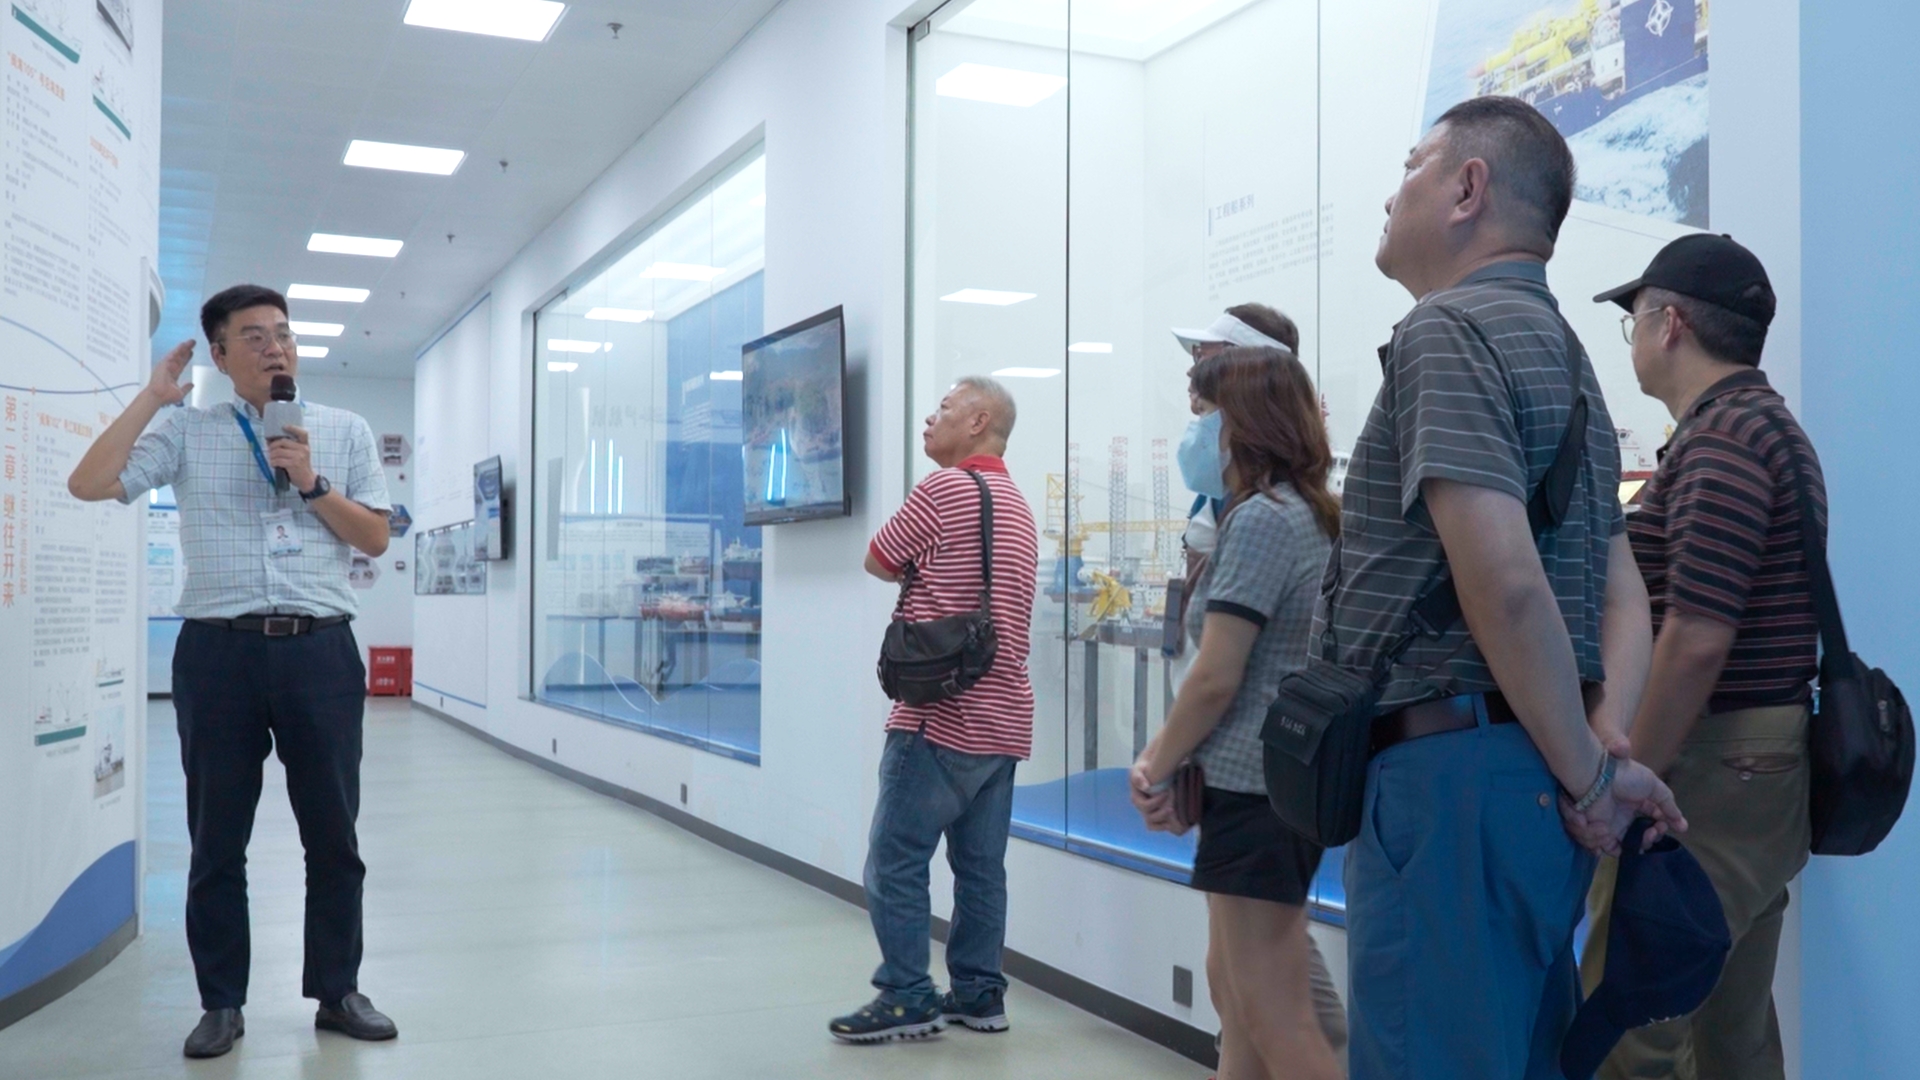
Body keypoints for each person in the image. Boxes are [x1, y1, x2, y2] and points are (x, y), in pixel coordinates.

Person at [1324, 96, 1686, 1080]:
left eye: (1411, 165)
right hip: (1531, 786)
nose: (1390, 194)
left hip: (1452, 789)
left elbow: (1508, 584)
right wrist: (1598, 751)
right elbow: (1624, 594)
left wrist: (1594, 777)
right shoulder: (1568, 357)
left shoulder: (1446, 330)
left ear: (1467, 189)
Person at [67, 285, 397, 1059]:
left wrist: (312, 481)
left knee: (334, 837)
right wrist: (152, 399)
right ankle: (221, 1002)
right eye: (253, 336)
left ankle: (338, 990)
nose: (275, 347)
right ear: (219, 355)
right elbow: (89, 483)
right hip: (219, 654)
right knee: (217, 841)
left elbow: (376, 538)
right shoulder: (186, 432)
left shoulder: (344, 430)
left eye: (283, 333)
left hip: (320, 651)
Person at [1583, 235, 1815, 1080]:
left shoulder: (1723, 441)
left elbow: (1697, 636)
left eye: (1635, 321)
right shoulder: (1762, 427)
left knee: (1632, 1020)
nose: (1636, 340)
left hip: (1716, 765)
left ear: (1670, 323)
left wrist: (1626, 777)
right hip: (1755, 767)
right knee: (1730, 1031)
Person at [1132, 346, 1346, 1080]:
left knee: (1274, 1011)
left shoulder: (1263, 519)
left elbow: (1217, 675)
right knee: (1234, 988)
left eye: (1204, 414)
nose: (1195, 432)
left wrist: (1157, 763)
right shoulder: (1304, 513)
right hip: (1267, 787)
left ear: (1243, 424)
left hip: (1258, 792)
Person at [831, 375, 1040, 1044]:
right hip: (1004, 720)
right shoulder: (1018, 505)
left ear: (978, 422)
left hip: (939, 716)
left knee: (894, 858)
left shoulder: (944, 489)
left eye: (944, 408)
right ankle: (979, 994)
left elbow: (878, 558)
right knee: (980, 870)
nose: (930, 419)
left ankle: (906, 995)